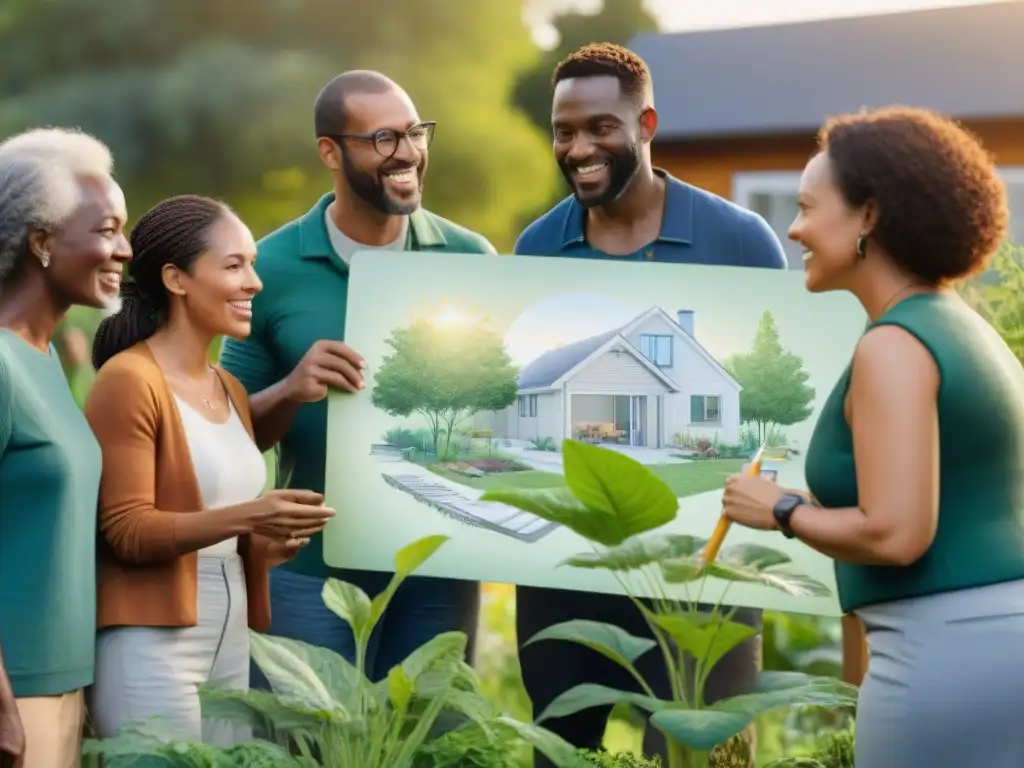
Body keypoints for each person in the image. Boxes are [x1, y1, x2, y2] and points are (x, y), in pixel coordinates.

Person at [721, 106, 1024, 767]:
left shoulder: (892, 346)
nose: (794, 227)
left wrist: (781, 511)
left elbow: (896, 532)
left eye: (807, 206)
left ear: (868, 215)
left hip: (942, 658)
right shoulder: (961, 328)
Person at [512, 43, 787, 765]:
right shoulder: (537, 248)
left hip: (705, 580)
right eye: (563, 131)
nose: (578, 148)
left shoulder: (739, 240)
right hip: (566, 576)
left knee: (702, 754)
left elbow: (780, 402)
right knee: (562, 751)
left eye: (600, 127)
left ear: (647, 124)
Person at [219, 70, 496, 685]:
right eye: (383, 139)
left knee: (435, 742)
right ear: (330, 152)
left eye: (415, 133)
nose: (408, 154)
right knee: (316, 744)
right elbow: (223, 432)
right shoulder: (272, 268)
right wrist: (293, 386)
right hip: (308, 571)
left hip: (436, 569)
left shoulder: (470, 258)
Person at [83, 195, 335, 745]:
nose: (254, 283)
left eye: (252, 264)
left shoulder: (231, 388)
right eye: (233, 265)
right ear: (176, 279)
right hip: (150, 640)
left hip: (228, 631)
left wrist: (267, 543)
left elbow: (216, 534)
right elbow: (126, 530)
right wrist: (249, 515)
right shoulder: (127, 381)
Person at [0, 127, 130, 768]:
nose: (125, 250)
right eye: (108, 230)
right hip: (14, 694)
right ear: (42, 242)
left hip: (64, 684)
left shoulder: (45, 358)